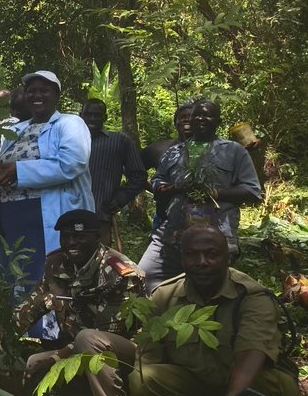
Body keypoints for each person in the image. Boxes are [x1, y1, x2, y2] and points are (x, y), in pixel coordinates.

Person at [0, 210, 144, 396]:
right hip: (79, 349)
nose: (72, 243)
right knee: (31, 362)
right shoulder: (57, 264)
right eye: (67, 236)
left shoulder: (119, 274)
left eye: (80, 237)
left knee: (85, 340)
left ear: (97, 236)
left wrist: (56, 357)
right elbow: (29, 309)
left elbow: (108, 336)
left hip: (125, 354)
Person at [130, 224, 303, 396]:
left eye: (212, 254)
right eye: (192, 255)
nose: (202, 262)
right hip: (199, 390)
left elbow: (252, 351)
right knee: (146, 378)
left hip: (249, 392)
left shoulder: (252, 297)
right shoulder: (165, 296)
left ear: (227, 258)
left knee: (258, 384)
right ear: (182, 258)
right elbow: (146, 363)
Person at [0, 70, 94, 339]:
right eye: (31, 91)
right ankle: (19, 335)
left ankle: (49, 336)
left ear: (57, 95)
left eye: (44, 90)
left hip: (45, 213)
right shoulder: (13, 130)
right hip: (10, 214)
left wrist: (18, 170)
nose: (37, 95)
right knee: (16, 273)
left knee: (45, 273)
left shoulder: (70, 124)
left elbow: (72, 163)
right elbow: (3, 166)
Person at [139, 99, 262, 293]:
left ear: (218, 121)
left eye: (207, 115)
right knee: (144, 279)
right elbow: (158, 181)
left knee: (211, 293)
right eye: (197, 114)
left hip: (216, 236)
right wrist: (173, 188)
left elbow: (253, 191)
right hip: (172, 234)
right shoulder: (174, 152)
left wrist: (215, 193)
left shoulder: (234, 151)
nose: (200, 118)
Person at [80, 99, 147, 224]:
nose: (92, 119)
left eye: (97, 115)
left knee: (100, 245)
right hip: (67, 215)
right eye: (88, 114)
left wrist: (120, 199)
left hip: (100, 216)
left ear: (104, 117)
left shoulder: (120, 141)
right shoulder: (68, 141)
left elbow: (139, 175)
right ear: (81, 115)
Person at [143, 103, 194, 231]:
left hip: (202, 217)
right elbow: (134, 171)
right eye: (182, 117)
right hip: (164, 215)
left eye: (191, 117)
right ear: (175, 122)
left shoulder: (212, 149)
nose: (186, 120)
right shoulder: (159, 149)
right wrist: (158, 189)